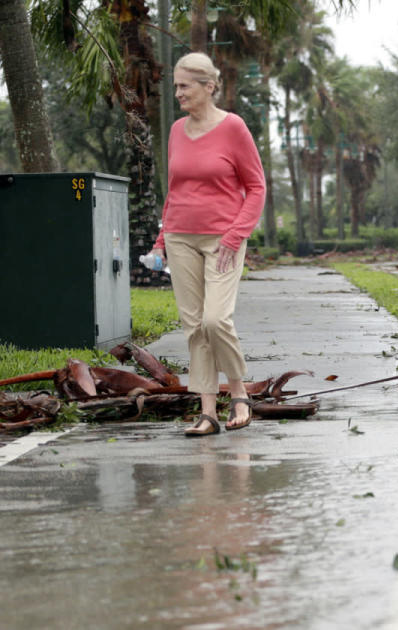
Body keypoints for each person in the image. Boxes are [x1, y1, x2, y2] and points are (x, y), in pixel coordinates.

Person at [147, 52, 265, 436]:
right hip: (181, 236)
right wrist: (161, 240)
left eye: (184, 85)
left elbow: (256, 187)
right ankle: (208, 411)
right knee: (195, 326)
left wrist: (236, 234)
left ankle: (239, 392)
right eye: (176, 85)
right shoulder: (177, 131)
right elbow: (174, 190)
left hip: (224, 240)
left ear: (208, 86)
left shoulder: (233, 128)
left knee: (216, 320)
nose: (177, 92)